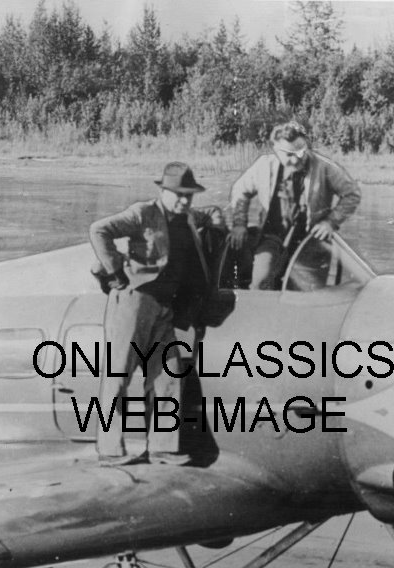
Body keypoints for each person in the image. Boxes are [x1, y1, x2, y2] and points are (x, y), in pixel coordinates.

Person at [88, 162, 223, 467]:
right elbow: (99, 230)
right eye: (177, 194)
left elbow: (211, 213)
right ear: (163, 191)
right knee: (118, 376)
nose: (184, 200)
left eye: (189, 195)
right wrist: (116, 273)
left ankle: (163, 449)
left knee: (168, 377)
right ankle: (110, 451)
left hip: (165, 309)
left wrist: (219, 221)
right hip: (134, 302)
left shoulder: (187, 216)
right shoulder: (143, 213)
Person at [229, 121, 360, 291]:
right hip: (272, 238)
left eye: (301, 151)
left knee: (306, 295)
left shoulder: (324, 167)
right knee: (260, 285)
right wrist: (239, 224)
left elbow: (352, 194)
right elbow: (240, 190)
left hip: (311, 242)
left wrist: (330, 222)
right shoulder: (263, 165)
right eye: (290, 154)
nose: (297, 157)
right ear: (276, 150)